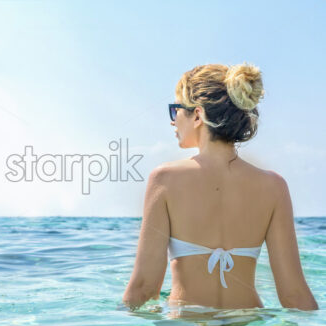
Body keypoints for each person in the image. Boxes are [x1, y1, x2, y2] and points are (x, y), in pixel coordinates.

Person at [122, 62, 318, 312]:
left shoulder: (164, 179)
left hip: (189, 325)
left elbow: (144, 288)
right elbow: (294, 295)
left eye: (176, 110)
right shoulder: (274, 186)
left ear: (197, 115)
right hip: (249, 323)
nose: (173, 121)